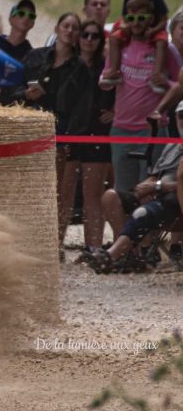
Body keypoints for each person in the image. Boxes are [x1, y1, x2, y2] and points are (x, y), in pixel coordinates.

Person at [16, 13, 93, 252]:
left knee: (60, 192)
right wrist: (25, 94)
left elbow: (83, 107)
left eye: (74, 28)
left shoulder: (81, 68)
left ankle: (54, 243)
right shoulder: (36, 57)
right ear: (57, 28)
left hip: (62, 135)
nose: (69, 31)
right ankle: (27, 238)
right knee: (30, 188)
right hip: (32, 131)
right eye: (66, 26)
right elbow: (12, 87)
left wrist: (71, 140)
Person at [101, 0, 181, 194]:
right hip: (121, 127)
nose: (136, 23)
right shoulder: (120, 45)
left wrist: (165, 84)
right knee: (122, 192)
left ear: (151, 19)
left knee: (148, 190)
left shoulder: (165, 49)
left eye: (142, 18)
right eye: (132, 18)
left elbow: (180, 86)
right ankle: (124, 226)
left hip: (152, 129)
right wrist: (111, 77)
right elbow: (103, 81)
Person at [91, 101, 183, 272]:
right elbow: (156, 174)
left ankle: (111, 255)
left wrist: (156, 187)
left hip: (176, 205)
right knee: (111, 196)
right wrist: (146, 185)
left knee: (143, 211)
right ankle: (134, 256)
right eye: (181, 115)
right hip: (160, 198)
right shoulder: (173, 145)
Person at [72, 19, 114, 262]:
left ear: (101, 41)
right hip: (72, 131)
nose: (89, 39)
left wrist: (116, 110)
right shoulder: (70, 64)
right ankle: (57, 245)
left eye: (94, 36)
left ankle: (94, 246)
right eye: (84, 34)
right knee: (64, 194)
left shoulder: (106, 66)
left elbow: (125, 89)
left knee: (93, 193)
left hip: (97, 131)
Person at [101, 0, 170, 93]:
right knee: (114, 38)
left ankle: (156, 76)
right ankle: (114, 70)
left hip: (153, 28)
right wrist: (126, 26)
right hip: (133, 26)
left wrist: (154, 30)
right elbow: (124, 17)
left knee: (162, 42)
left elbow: (163, 19)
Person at [0, 0, 36, 105]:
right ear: (11, 19)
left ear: (32, 24)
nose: (26, 18)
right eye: (21, 13)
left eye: (31, 16)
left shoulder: (32, 56)